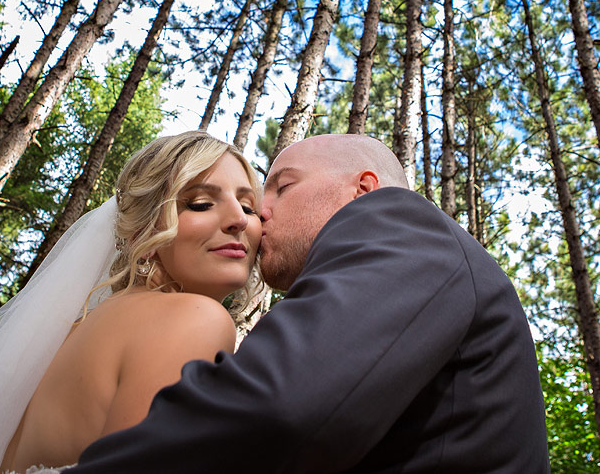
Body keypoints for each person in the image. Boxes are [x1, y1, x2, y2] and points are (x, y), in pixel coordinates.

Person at [62, 133, 550, 473]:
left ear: (363, 190)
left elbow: (282, 410)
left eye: (282, 187)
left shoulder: (397, 220)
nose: (258, 215)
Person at [0, 130, 263, 474]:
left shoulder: (63, 339)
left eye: (248, 206)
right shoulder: (195, 319)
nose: (239, 219)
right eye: (199, 203)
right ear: (143, 231)